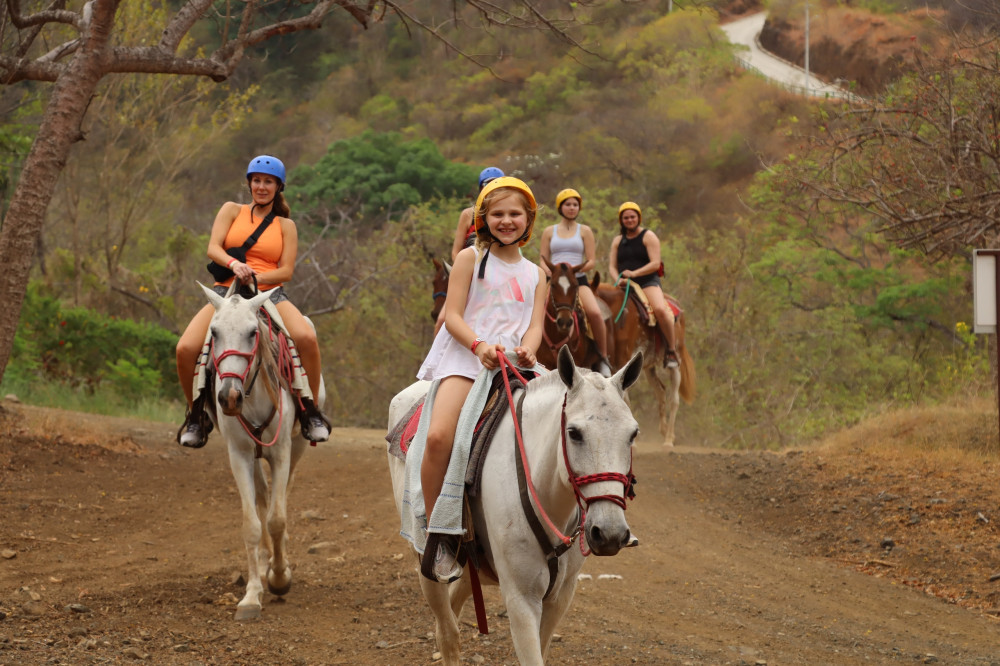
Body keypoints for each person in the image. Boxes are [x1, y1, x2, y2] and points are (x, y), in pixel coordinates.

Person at [418, 176, 545, 582]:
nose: (506, 221)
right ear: (483, 219)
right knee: (439, 436)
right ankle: (438, 537)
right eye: (498, 214)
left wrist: (528, 348)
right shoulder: (471, 259)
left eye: (514, 214)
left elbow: (535, 327)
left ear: (528, 219)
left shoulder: (536, 273)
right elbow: (453, 315)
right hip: (468, 359)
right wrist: (478, 347)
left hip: (514, 363)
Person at [175, 155, 331, 447]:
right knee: (185, 348)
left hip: (268, 292)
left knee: (306, 337)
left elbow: (286, 270)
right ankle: (197, 415)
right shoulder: (231, 210)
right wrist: (235, 266)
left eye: (268, 182)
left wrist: (256, 275)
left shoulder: (286, 225)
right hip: (226, 290)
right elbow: (213, 247)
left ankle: (310, 411)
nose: (261, 186)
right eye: (257, 180)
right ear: (249, 184)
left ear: (278, 187)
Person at [539, 188, 612, 377]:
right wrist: (550, 271)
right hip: (554, 279)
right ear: (560, 207)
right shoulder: (549, 231)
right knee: (534, 309)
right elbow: (542, 258)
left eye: (575, 205)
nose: (572, 208)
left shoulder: (585, 231)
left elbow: (591, 260)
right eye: (567, 204)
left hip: (577, 280)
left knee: (595, 312)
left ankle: (603, 358)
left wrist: (573, 271)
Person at [608, 201, 679, 369]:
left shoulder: (648, 236)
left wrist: (634, 274)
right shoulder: (618, 240)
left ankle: (671, 350)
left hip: (647, 282)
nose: (629, 220)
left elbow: (655, 263)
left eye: (632, 217)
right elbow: (612, 265)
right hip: (624, 285)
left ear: (638, 218)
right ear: (621, 220)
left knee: (660, 310)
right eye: (626, 218)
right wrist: (617, 279)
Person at [434, 166, 504, 335]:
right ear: (481, 188)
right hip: (469, 274)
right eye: (487, 185)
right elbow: (455, 252)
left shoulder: (506, 216)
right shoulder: (468, 214)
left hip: (499, 275)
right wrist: (466, 270)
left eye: (497, 185)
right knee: (443, 320)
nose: (491, 189)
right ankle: (437, 360)